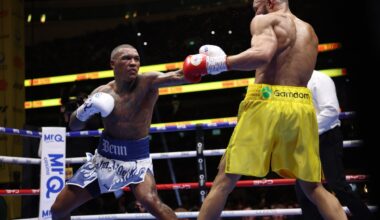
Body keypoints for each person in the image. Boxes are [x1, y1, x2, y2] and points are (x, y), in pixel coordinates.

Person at [182, 0, 347, 219]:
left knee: (224, 181)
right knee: (314, 188)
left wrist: (218, 63)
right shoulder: (309, 31)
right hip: (301, 105)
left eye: (256, 6)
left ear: (269, 2)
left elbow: (262, 54)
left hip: (266, 101)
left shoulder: (265, 20)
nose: (254, 11)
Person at [51, 44, 189, 220]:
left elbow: (179, 75)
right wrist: (85, 109)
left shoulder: (147, 82)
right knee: (58, 209)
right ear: (113, 63)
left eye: (136, 59)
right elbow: (74, 126)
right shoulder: (102, 92)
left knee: (150, 200)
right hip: (104, 160)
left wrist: (210, 65)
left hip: (136, 160)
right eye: (127, 58)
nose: (133, 63)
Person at [294, 70, 373, 220]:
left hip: (326, 136)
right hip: (304, 140)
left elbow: (331, 111)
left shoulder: (320, 79)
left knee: (337, 185)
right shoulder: (291, 83)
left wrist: (306, 130)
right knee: (303, 190)